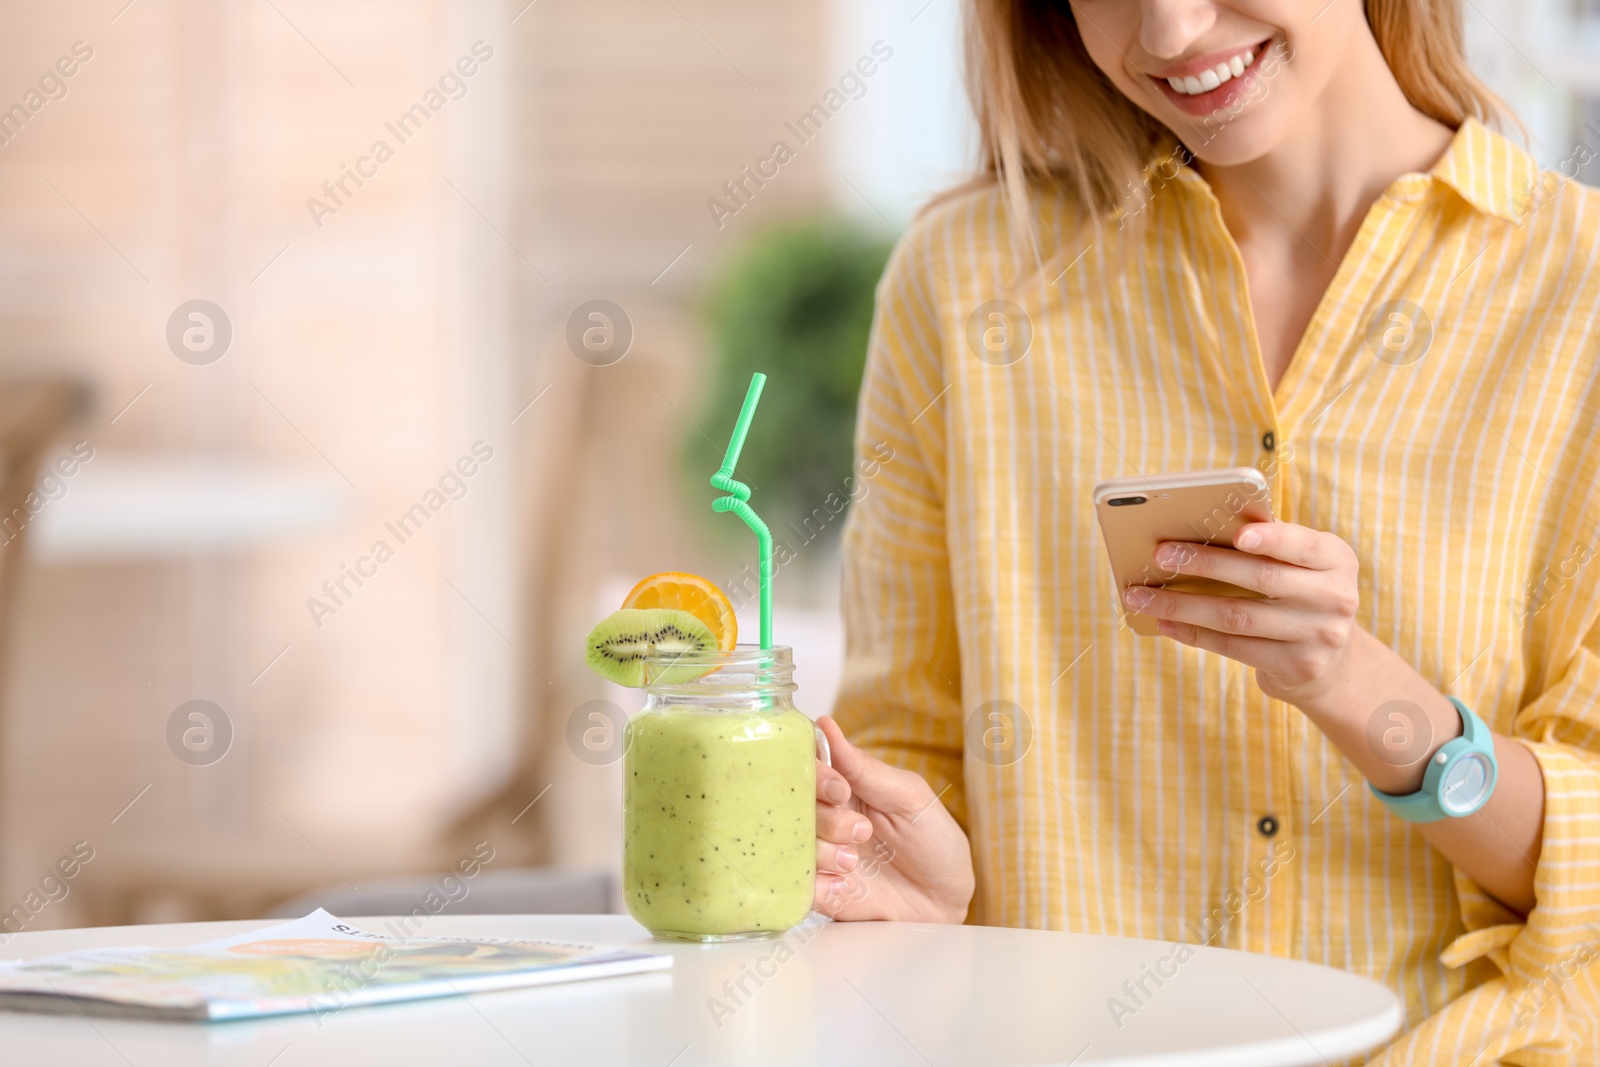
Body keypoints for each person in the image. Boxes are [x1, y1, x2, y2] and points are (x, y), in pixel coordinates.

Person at [813, 0, 1600, 1061]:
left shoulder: (1577, 296)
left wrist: (1358, 688)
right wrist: (922, 873)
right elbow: (910, 742)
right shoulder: (964, 283)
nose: (1171, 32)